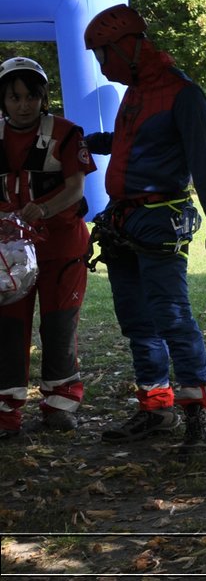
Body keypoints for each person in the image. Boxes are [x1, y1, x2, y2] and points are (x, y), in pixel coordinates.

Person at [82, 4, 206, 452]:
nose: (101, 66)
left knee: (171, 316)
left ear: (126, 46)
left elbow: (202, 161)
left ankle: (201, 416)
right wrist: (89, 141)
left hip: (161, 219)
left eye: (102, 55)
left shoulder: (182, 93)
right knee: (136, 320)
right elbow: (135, 143)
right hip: (123, 219)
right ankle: (155, 408)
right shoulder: (136, 89)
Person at [0, 57, 93, 439]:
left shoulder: (67, 133)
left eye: (31, 97)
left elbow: (76, 187)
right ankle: (6, 412)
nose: (23, 105)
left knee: (59, 325)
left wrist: (44, 208)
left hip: (62, 247)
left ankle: (60, 403)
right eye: (14, 97)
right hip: (9, 255)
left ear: (43, 98)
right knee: (8, 329)